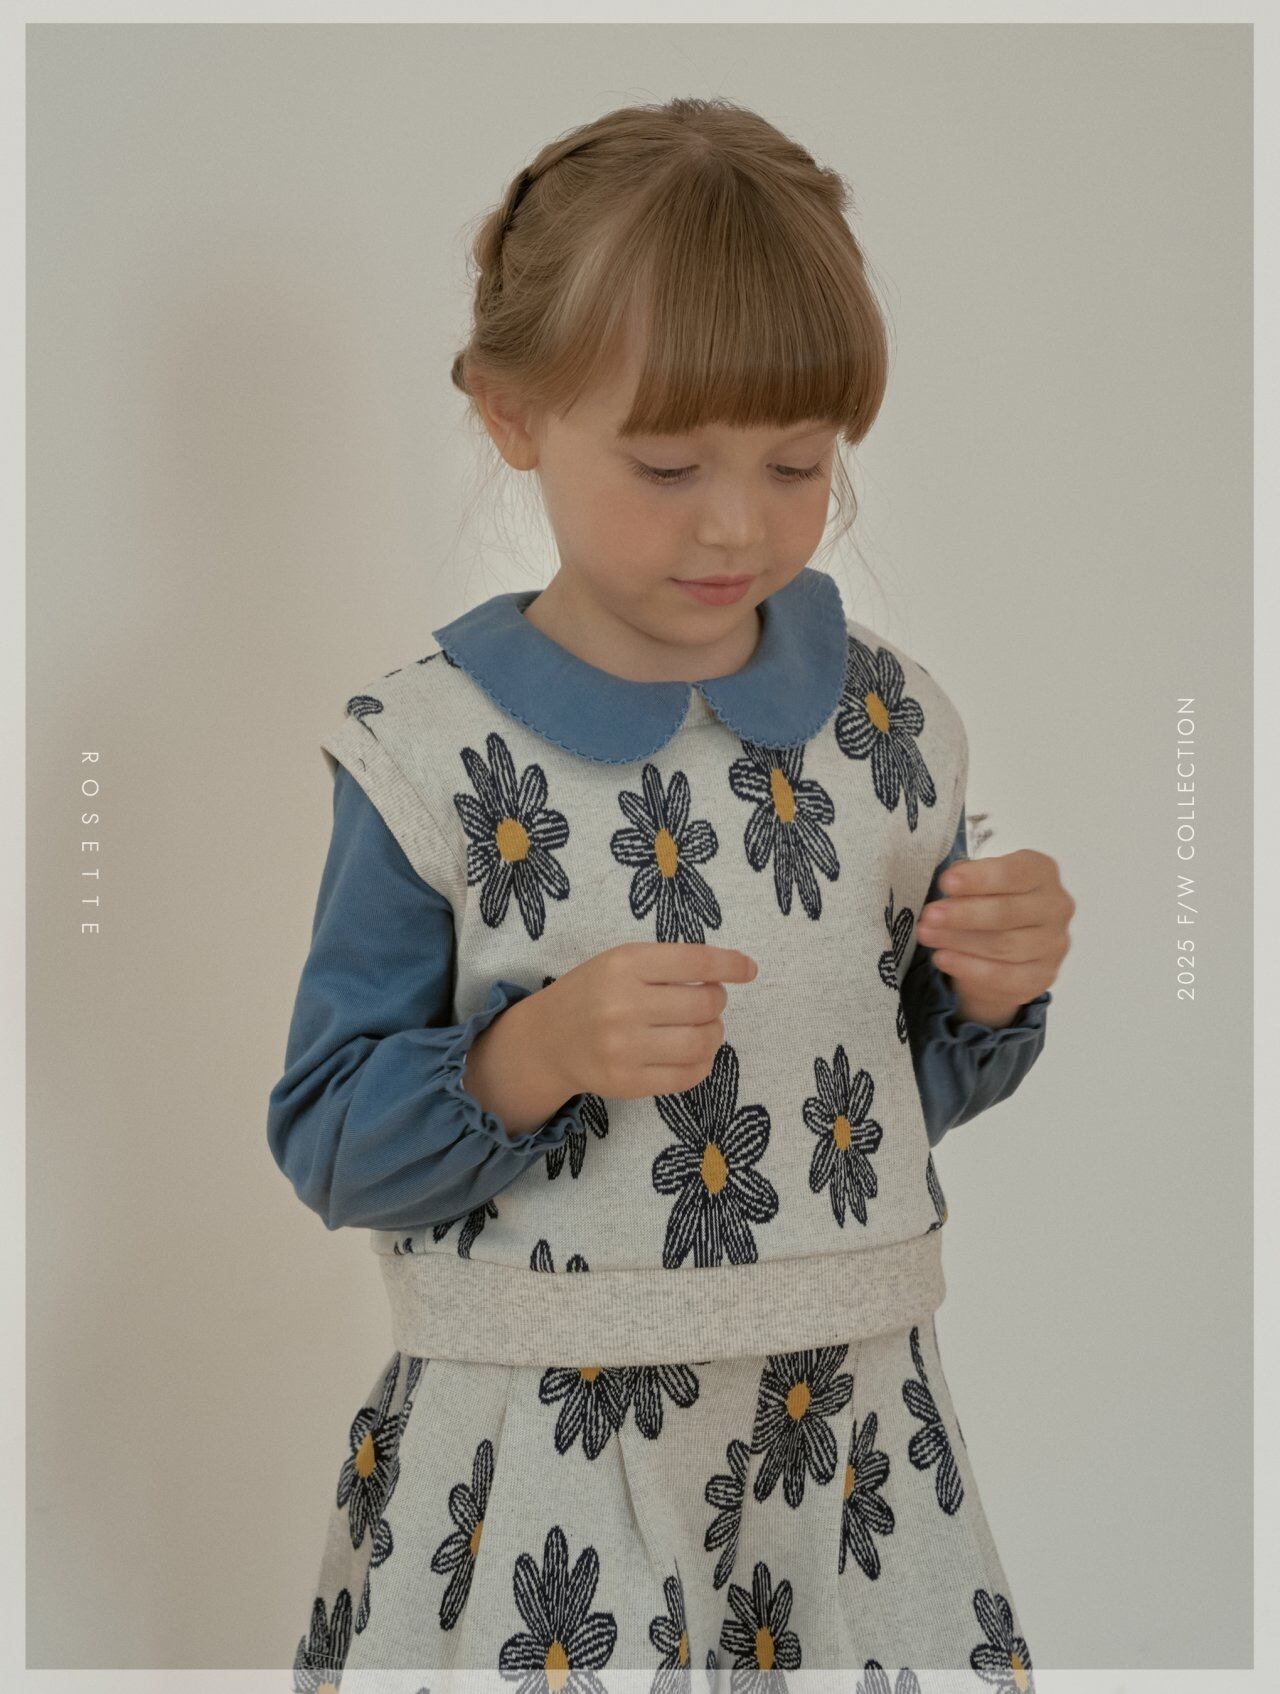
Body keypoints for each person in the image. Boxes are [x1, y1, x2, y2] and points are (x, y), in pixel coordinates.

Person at [269, 96, 1071, 1692]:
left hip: (851, 1448)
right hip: (544, 1457)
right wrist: (531, 1054)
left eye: (797, 461)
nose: (736, 521)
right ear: (510, 414)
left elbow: (883, 1091)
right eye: (666, 462)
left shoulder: (893, 728)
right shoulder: (430, 754)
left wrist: (993, 985)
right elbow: (330, 1137)